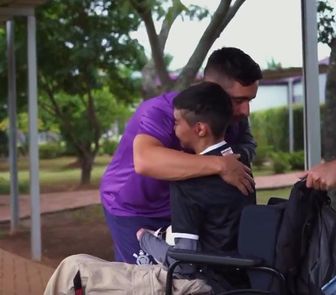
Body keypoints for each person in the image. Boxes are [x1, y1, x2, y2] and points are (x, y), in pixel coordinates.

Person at [100, 47, 263, 264]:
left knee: (189, 274)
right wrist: (220, 164)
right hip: (135, 207)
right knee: (146, 282)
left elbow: (246, 146)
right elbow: (145, 160)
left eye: (250, 100)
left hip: (185, 209)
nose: (245, 111)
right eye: (238, 100)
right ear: (210, 89)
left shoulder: (233, 119)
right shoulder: (162, 111)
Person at [136, 82, 254, 292]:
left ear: (199, 128)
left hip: (208, 282)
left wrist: (145, 238)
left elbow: (185, 263)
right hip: (243, 277)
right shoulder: (241, 163)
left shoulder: (186, 182)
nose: (174, 129)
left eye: (176, 122)